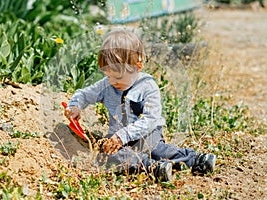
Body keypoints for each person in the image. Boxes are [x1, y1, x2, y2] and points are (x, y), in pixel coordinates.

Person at [64, 29, 216, 182]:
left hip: (147, 134)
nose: (113, 82)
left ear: (137, 67)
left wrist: (123, 136)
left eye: (118, 77)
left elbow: (150, 119)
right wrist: (75, 106)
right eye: (108, 75)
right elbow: (83, 94)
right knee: (110, 157)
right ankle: (154, 168)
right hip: (119, 139)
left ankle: (196, 160)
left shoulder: (148, 87)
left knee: (156, 149)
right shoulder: (107, 85)